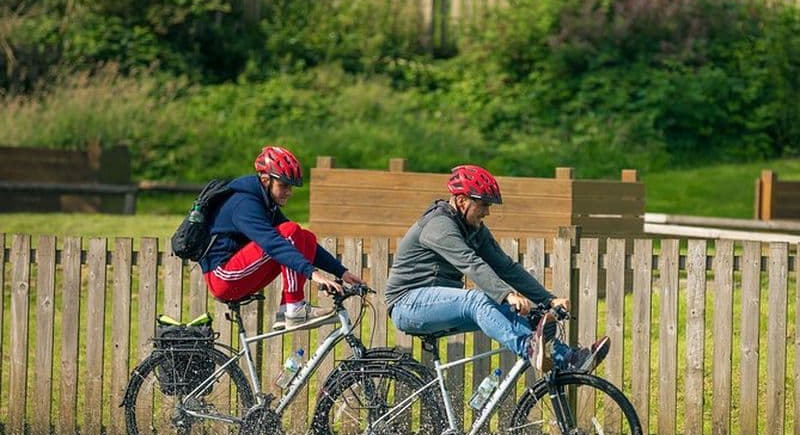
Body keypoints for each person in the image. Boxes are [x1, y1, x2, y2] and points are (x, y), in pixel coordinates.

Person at [385, 164, 609, 372]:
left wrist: (548, 300)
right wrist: (507, 294)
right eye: (483, 204)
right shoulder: (438, 225)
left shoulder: (474, 229)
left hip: (435, 304)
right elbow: (470, 263)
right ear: (462, 201)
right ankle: (529, 348)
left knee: (521, 313)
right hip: (407, 304)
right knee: (479, 300)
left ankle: (569, 359)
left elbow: (507, 268)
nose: (487, 212)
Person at [200, 145, 363, 330]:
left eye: (290, 186)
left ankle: (288, 308)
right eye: (284, 185)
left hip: (238, 273)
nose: (289, 192)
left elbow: (299, 241)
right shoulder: (244, 204)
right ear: (265, 180)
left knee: (305, 236)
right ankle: (294, 308)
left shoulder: (265, 202)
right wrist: (313, 273)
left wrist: (341, 272)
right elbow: (274, 244)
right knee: (289, 231)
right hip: (223, 277)